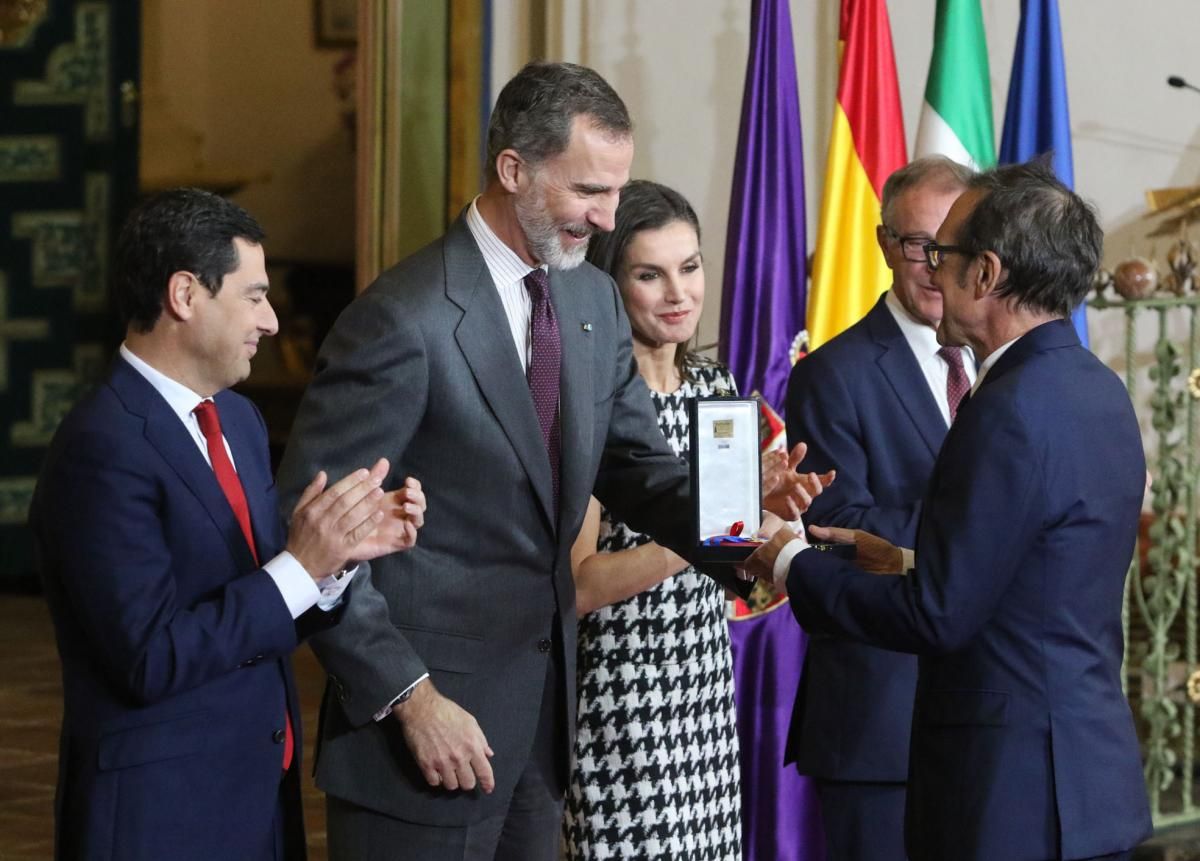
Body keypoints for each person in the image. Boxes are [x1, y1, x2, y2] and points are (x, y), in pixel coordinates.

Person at [275, 63, 811, 861]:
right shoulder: (402, 318)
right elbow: (313, 537)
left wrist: (755, 534)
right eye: (588, 192)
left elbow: (641, 471)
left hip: (541, 740)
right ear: (513, 169)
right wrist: (412, 700)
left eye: (615, 193)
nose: (605, 219)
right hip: (420, 740)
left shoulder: (590, 303)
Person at [745, 160, 1153, 861]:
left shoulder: (1005, 408)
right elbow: (1039, 568)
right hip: (1091, 786)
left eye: (944, 252)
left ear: (985, 273)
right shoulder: (1099, 389)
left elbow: (937, 614)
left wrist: (789, 560)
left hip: (1008, 800)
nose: (932, 267)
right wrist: (908, 557)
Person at [30, 188, 426, 861]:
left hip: (254, 796)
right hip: (160, 813)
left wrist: (331, 560)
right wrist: (298, 567)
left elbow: (256, 607)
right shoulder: (102, 445)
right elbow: (150, 658)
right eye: (254, 295)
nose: (272, 321)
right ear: (185, 295)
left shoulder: (238, 421)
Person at [561, 181, 830, 859]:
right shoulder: (589, 403)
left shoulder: (717, 393)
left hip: (704, 702)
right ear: (610, 282)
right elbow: (581, 586)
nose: (678, 292)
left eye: (690, 266)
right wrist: (714, 523)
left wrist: (771, 523)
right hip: (617, 704)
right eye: (650, 273)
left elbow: (734, 570)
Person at [783, 156, 975, 861]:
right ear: (885, 244)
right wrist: (989, 524)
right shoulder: (832, 374)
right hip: (879, 724)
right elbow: (837, 529)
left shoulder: (1002, 361)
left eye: (952, 241)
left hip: (986, 722)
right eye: (918, 243)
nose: (935, 262)